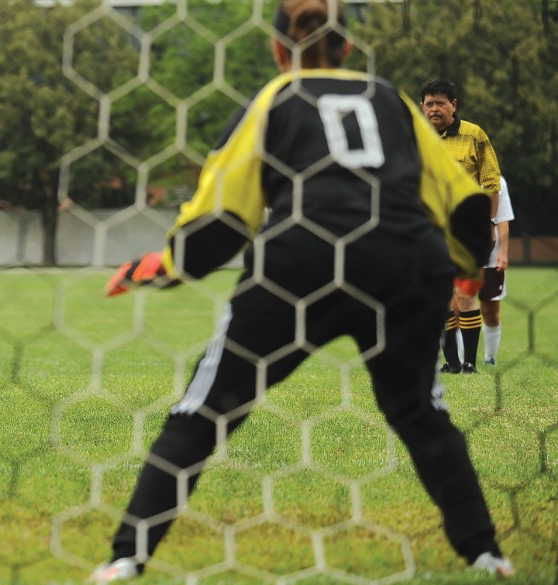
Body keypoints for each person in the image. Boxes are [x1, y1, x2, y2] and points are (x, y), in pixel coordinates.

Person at [91, 0, 512, 581]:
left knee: (204, 413)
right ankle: (487, 553)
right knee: (422, 412)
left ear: (277, 49)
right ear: (347, 45)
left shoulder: (274, 98)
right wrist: (465, 272)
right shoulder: (389, 98)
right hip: (404, 261)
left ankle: (125, 559)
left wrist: (166, 266)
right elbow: (465, 203)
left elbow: (224, 218)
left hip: (298, 262)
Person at [419, 79, 502, 374]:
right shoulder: (417, 137)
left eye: (440, 103)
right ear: (422, 107)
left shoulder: (474, 135)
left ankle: (469, 362)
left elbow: (492, 181)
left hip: (468, 226)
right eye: (429, 103)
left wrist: (491, 222)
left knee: (465, 293)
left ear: (453, 105)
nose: (434, 109)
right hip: (430, 227)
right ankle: (451, 361)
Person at [481, 176, 514, 365]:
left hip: (492, 258)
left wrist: (503, 252)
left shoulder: (497, 181)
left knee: (490, 311)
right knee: (457, 309)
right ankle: (459, 362)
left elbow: (503, 219)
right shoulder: (454, 174)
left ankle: (489, 358)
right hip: (462, 255)